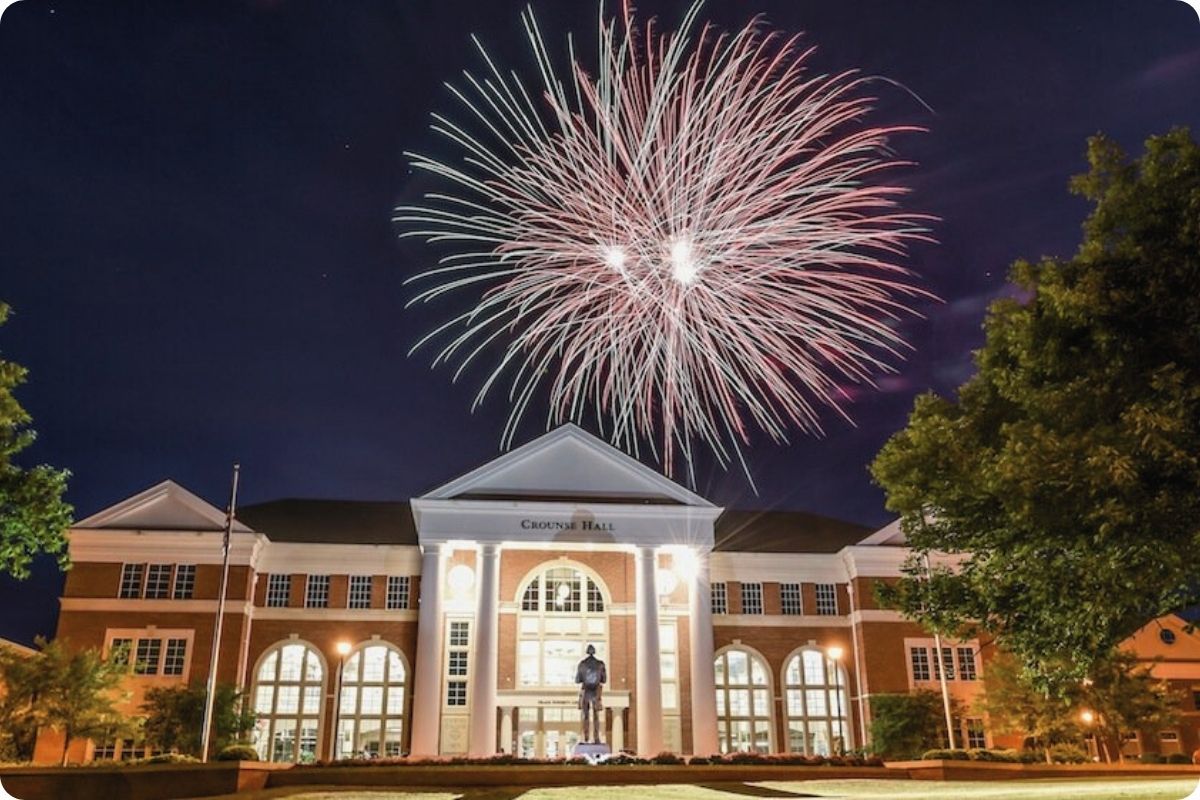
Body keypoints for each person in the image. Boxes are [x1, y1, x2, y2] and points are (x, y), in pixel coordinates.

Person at [574, 644, 607, 744]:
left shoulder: (582, 664)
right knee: (596, 715)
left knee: (585, 715)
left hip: (586, 690)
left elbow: (577, 680)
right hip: (596, 691)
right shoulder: (600, 664)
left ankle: (586, 737)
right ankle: (596, 738)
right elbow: (604, 680)